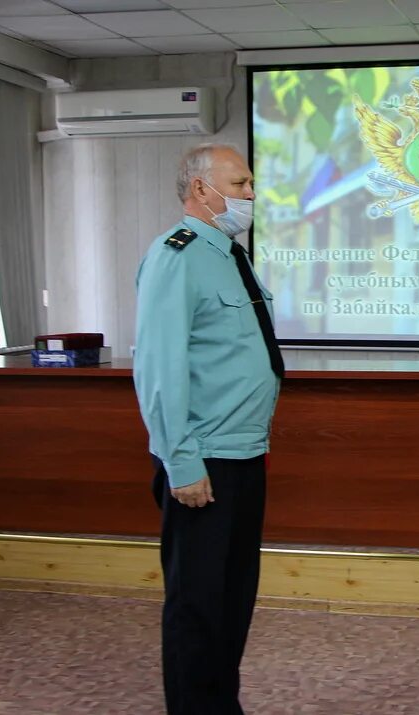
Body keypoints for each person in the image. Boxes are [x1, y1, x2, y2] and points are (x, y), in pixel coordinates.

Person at [133, 143, 284, 714]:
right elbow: (159, 369)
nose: (250, 195)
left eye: (249, 184)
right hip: (204, 462)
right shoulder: (178, 255)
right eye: (240, 184)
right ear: (201, 189)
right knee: (197, 605)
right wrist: (182, 462)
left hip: (243, 455)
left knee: (232, 598)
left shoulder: (228, 254)